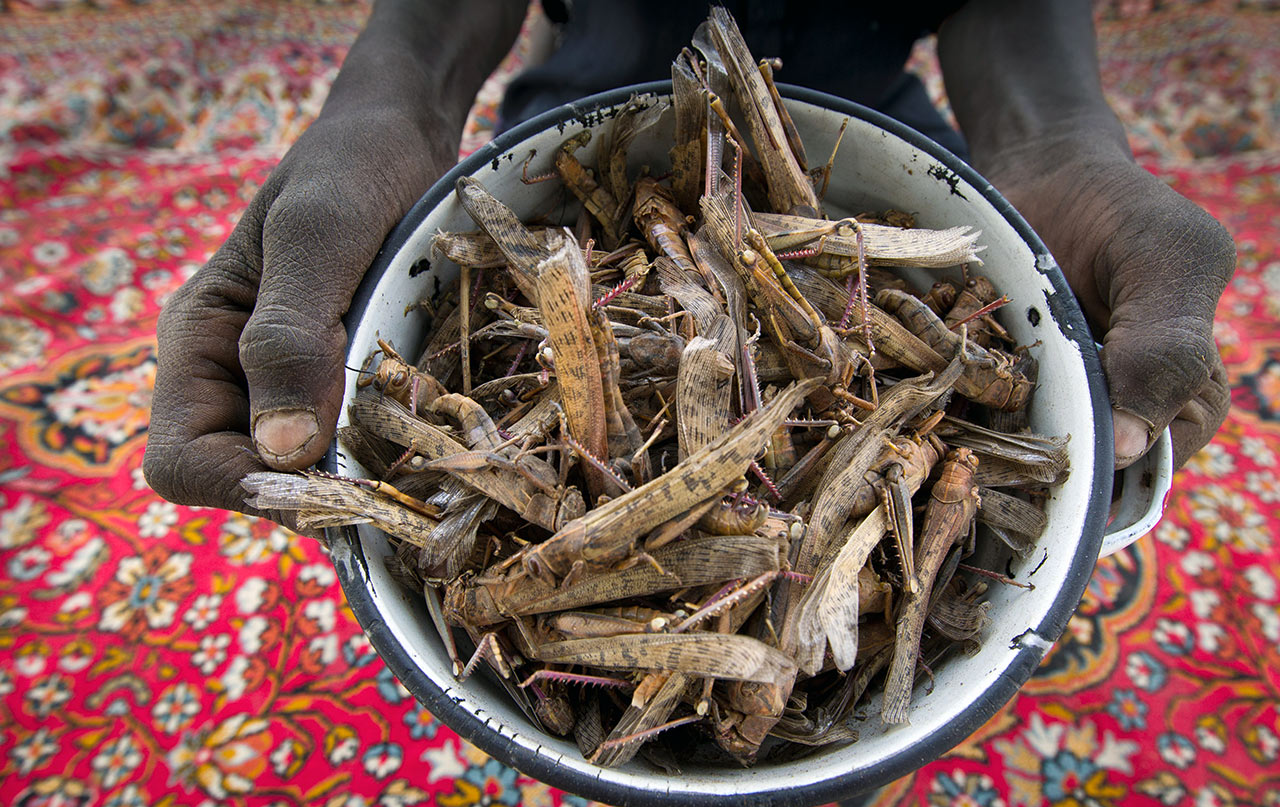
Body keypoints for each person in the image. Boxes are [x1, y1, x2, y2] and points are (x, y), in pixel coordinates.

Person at [143, 0, 1234, 522]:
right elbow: (424, 43)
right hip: (575, 139)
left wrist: (1061, 151)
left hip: (866, 165)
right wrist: (386, 108)